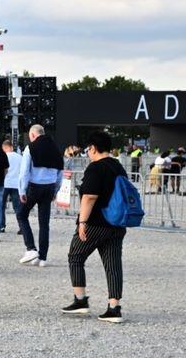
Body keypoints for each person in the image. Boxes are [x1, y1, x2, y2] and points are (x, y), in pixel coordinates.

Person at [61, 130, 129, 323]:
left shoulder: (96, 168)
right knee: (113, 265)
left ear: (94, 148)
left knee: (75, 256)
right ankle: (114, 308)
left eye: (88, 148)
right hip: (117, 223)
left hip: (96, 222)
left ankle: (80, 300)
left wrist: (82, 222)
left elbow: (89, 197)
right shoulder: (118, 166)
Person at [16, 124, 63, 267]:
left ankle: (31, 248)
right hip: (49, 188)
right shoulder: (56, 148)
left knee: (21, 215)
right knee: (44, 224)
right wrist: (56, 190)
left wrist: (22, 191)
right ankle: (43, 258)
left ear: (32, 135)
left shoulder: (30, 148)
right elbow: (60, 172)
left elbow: (24, 172)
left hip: (34, 187)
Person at [1, 139, 22, 235]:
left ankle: (1, 226)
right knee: (17, 207)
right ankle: (21, 226)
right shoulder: (20, 157)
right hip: (16, 184)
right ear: (11, 147)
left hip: (4, 184)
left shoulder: (2, 157)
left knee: (1, 206)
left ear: (4, 148)